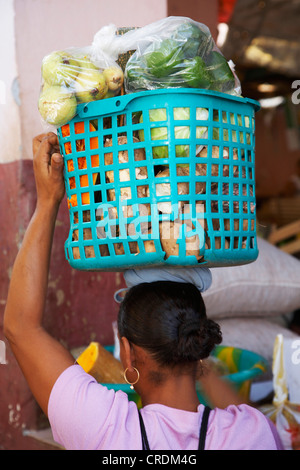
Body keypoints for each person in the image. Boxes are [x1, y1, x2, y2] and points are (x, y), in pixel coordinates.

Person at [3, 133, 283, 451]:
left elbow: (20, 327)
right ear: (198, 348)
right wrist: (198, 367)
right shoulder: (253, 433)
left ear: (127, 355)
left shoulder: (102, 428)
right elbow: (237, 414)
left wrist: (48, 201)